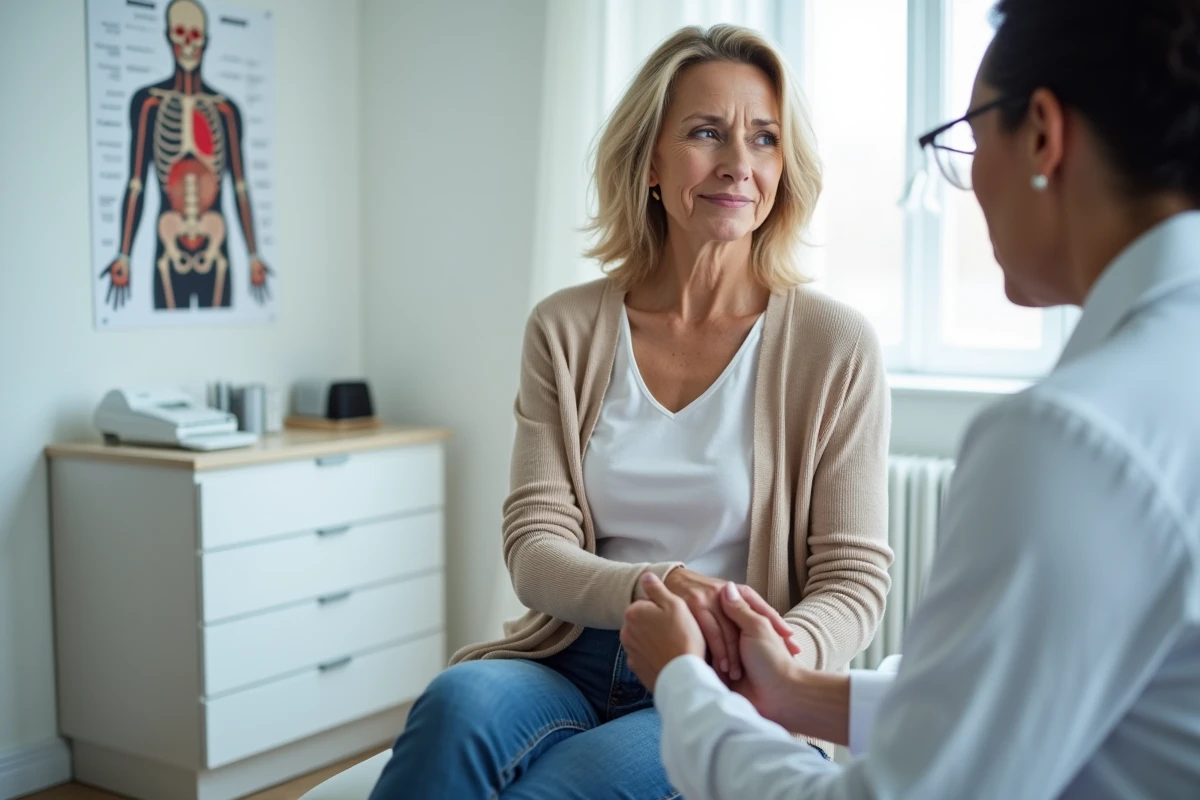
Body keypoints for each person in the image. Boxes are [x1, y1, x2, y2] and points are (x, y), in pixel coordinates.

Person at [620, 1, 1200, 797]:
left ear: (1040, 134)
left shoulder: (1071, 437)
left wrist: (686, 686)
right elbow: (1011, 702)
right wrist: (794, 692)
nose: (968, 185)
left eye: (965, 139)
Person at [368, 23, 893, 800]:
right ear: (650, 160)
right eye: (706, 133)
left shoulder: (834, 344)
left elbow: (853, 581)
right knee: (453, 706)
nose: (738, 165)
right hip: (573, 657)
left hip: (723, 680)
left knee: (560, 788)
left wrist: (773, 655)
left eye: (763, 139)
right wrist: (660, 585)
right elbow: (534, 546)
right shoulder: (566, 328)